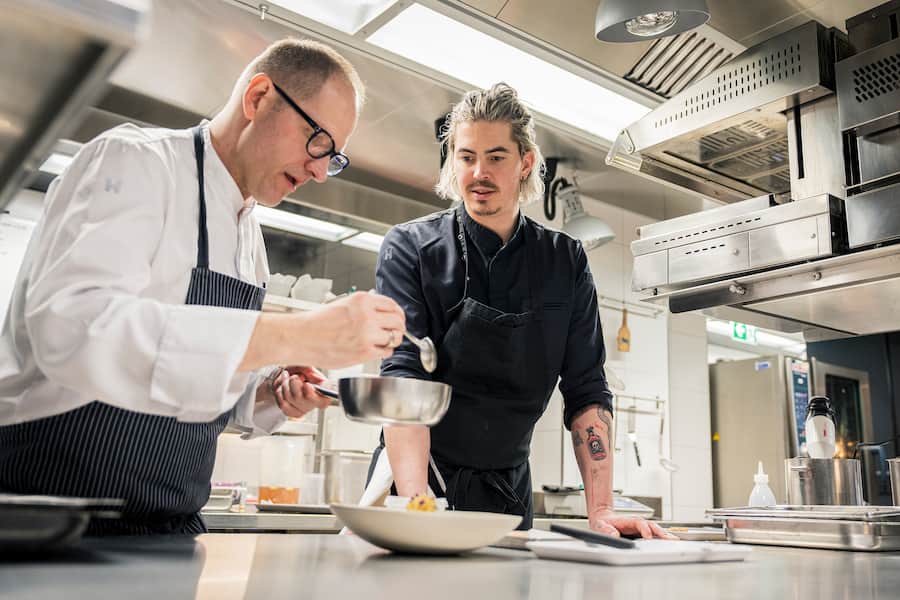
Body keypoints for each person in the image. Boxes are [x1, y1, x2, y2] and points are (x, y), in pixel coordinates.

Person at [0, 39, 405, 535]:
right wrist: (295, 333)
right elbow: (73, 331)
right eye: (317, 140)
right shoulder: (136, 162)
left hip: (171, 529)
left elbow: (194, 398)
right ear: (258, 98)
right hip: (51, 519)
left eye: (333, 157)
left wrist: (270, 397)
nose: (321, 170)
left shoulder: (248, 238)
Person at [371, 83, 671, 538]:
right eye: (466, 157)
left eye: (496, 157)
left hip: (506, 493)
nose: (478, 173)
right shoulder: (413, 248)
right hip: (416, 481)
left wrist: (602, 509)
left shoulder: (564, 261)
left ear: (525, 162)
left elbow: (587, 390)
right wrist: (418, 503)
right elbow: (404, 376)